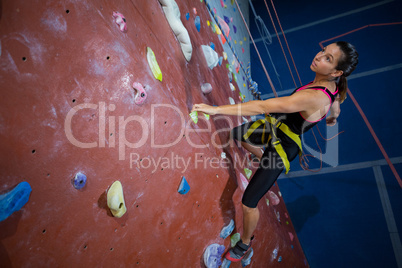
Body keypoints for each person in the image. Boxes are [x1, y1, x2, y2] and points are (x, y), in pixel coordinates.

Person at [192, 41, 359, 262]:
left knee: (249, 201)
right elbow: (336, 102)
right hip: (274, 129)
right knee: (237, 135)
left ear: (337, 72)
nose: (319, 57)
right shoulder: (333, 87)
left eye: (328, 58)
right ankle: (262, 157)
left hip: (284, 147)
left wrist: (215, 110)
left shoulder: (317, 96)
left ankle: (243, 244)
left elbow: (262, 107)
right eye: (323, 52)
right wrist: (333, 116)